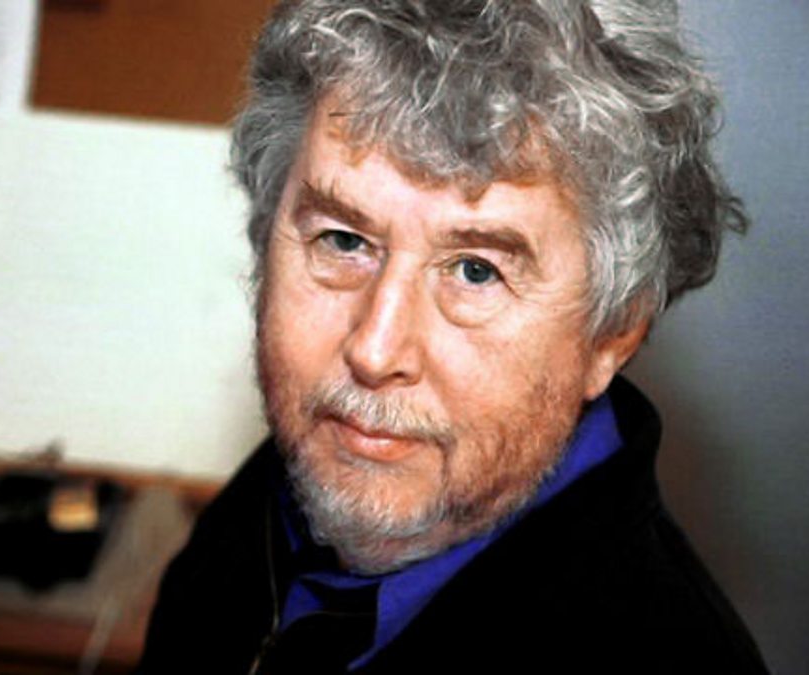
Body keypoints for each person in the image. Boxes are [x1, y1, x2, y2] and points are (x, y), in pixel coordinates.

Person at [138, 0, 769, 672]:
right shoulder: (295, 486)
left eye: (476, 271)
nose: (374, 350)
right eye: (344, 240)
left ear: (611, 334)